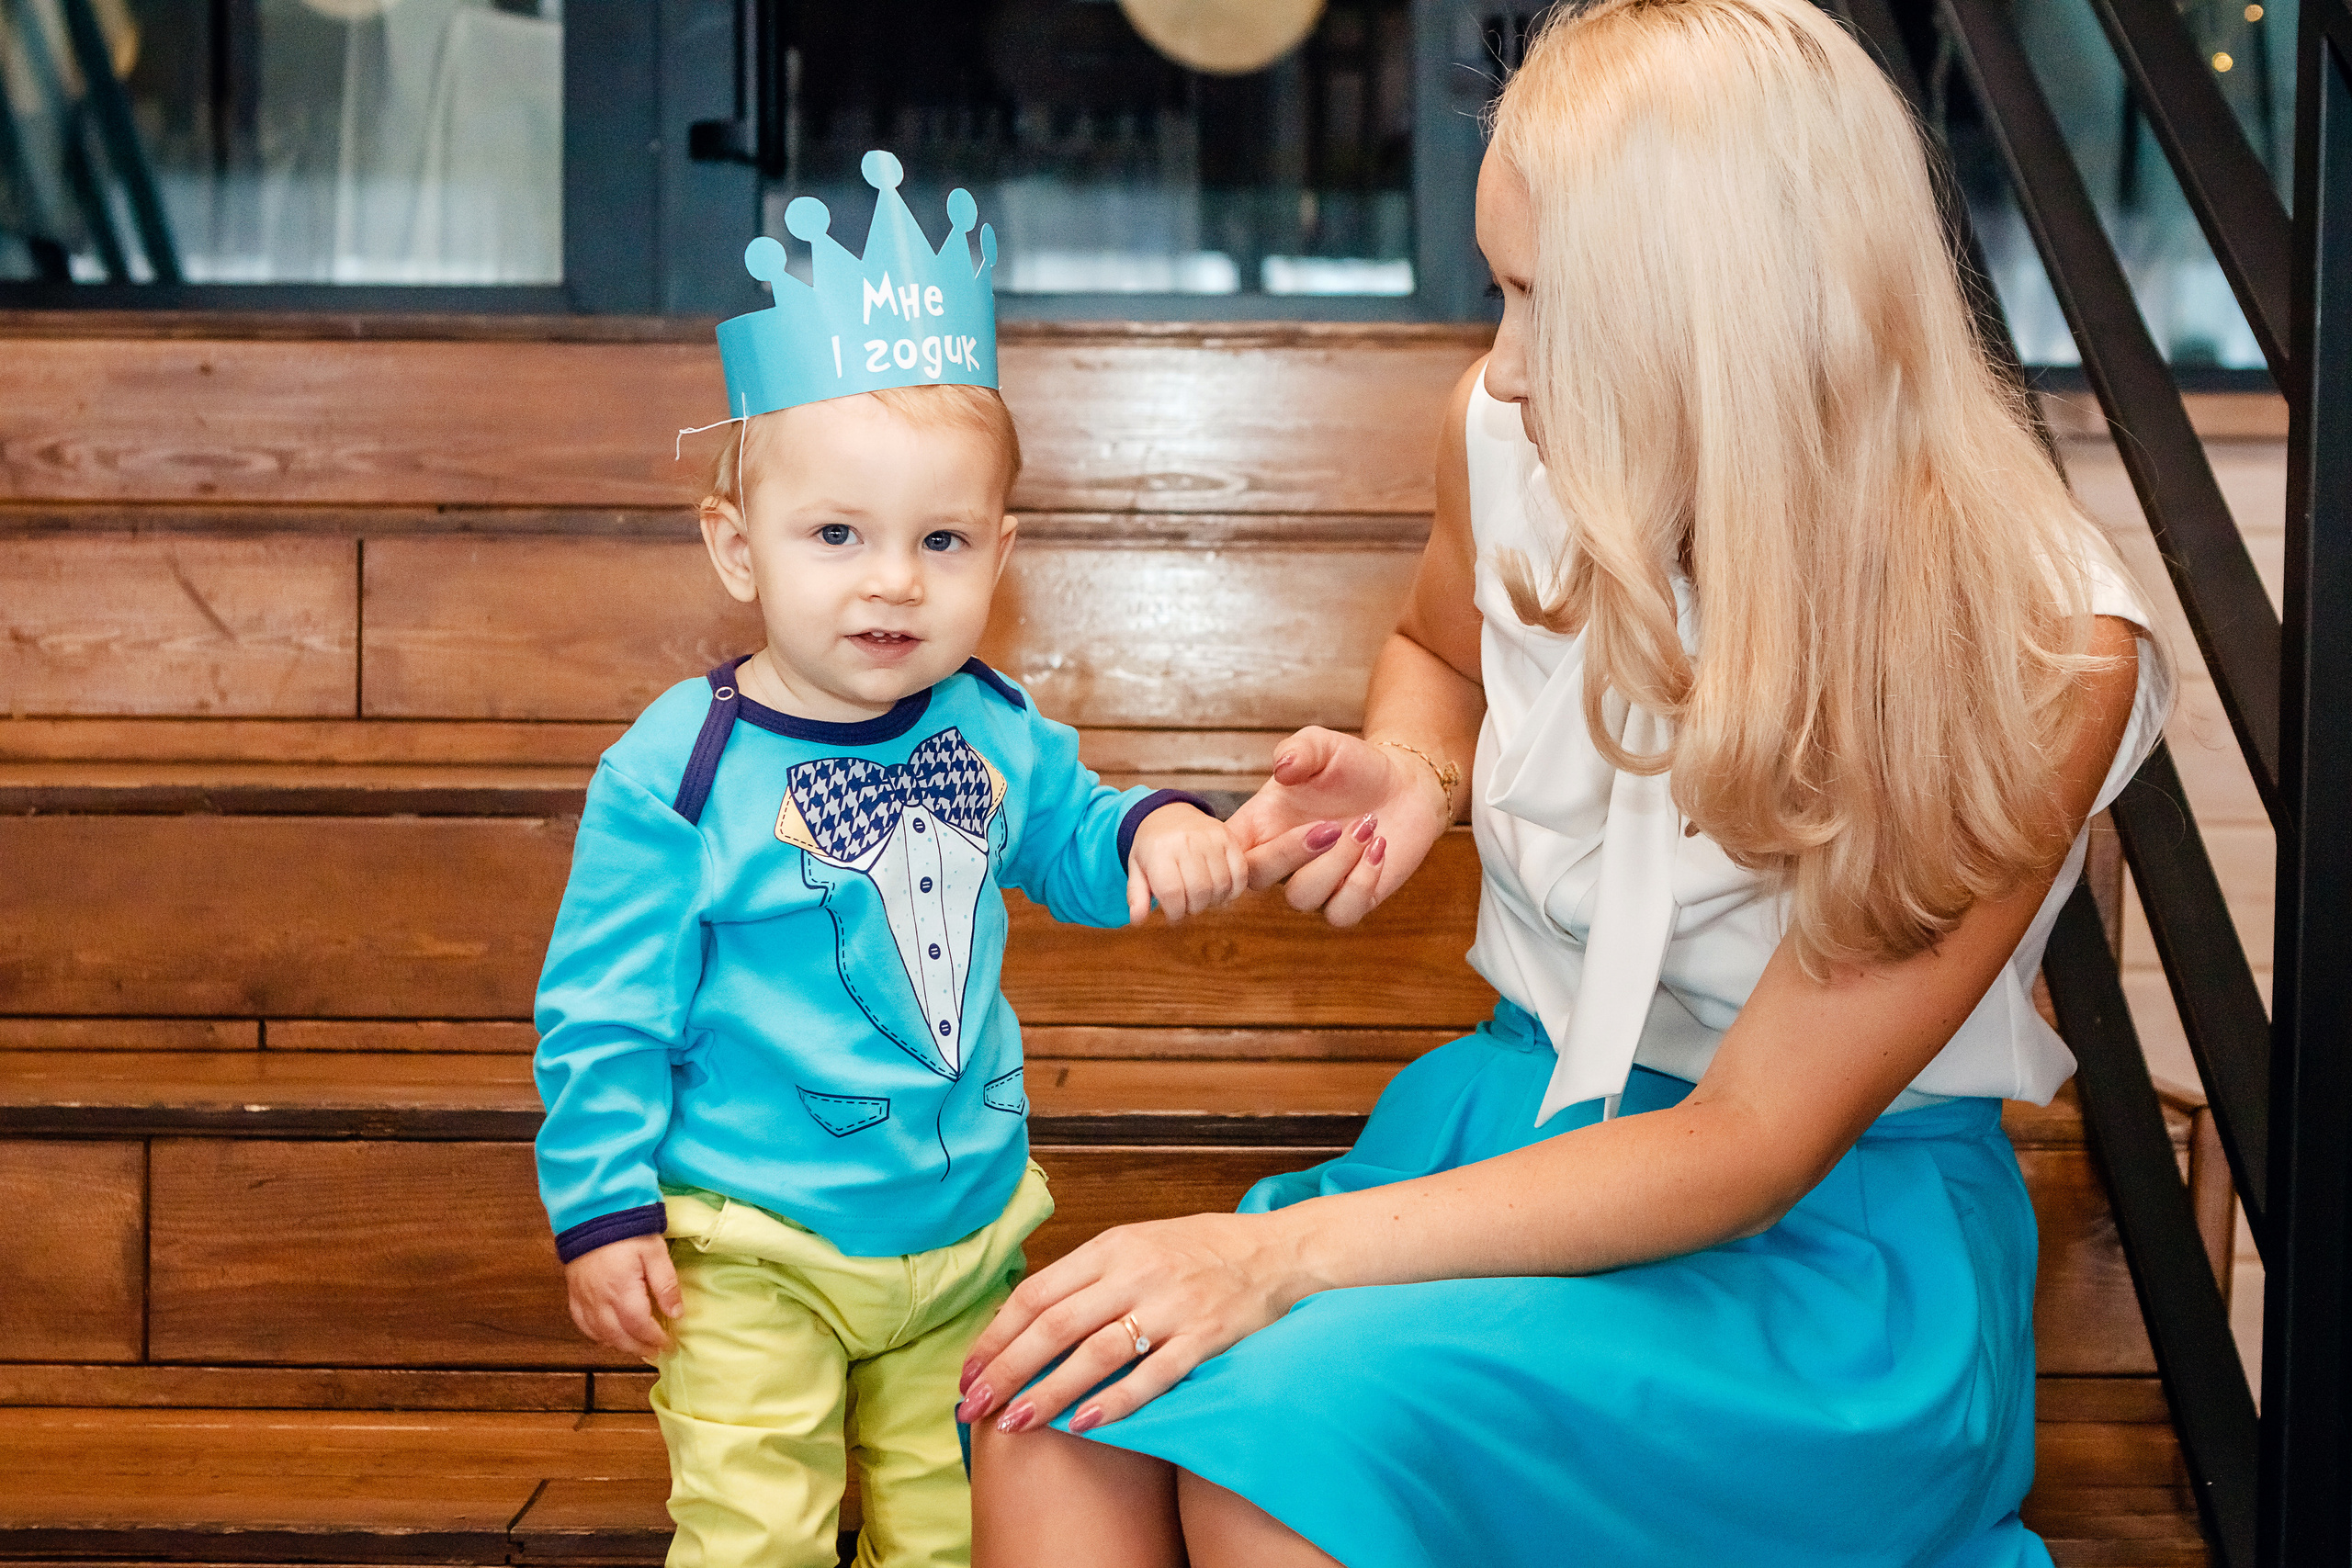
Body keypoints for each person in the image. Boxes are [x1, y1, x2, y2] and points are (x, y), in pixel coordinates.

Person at [956, 2, 2173, 1564]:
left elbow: (1751, 1140)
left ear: (1734, 319)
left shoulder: (2038, 642)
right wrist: (1413, 768)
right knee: (1053, 1410)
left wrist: (1274, 1262)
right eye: (1498, 292)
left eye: (1550, 305)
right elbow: (1437, 645)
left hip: (1819, 1252)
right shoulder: (1507, 430)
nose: (1508, 370)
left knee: (1287, 1452)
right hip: (1499, 1132)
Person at [530, 153, 1246, 1568]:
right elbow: (603, 1006)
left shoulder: (995, 728)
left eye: (942, 540)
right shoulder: (675, 770)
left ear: (1002, 551)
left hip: (965, 1234)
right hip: (750, 1240)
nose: (894, 581)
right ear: (740, 550)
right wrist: (602, 1206)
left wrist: (1160, 832)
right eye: (837, 535)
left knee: (949, 1535)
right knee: (757, 1536)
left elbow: (1075, 845)